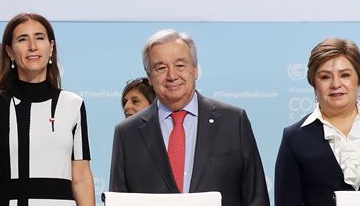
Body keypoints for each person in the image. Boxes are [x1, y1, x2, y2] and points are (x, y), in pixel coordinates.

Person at [109, 29, 269, 206]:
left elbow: (256, 197)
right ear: (150, 78)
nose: (172, 76)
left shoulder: (233, 121)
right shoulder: (127, 133)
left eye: (180, 65)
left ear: (195, 69)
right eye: (161, 68)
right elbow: (119, 199)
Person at [0, 12, 95, 206]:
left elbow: (81, 175)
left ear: (51, 47)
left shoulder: (73, 104)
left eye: (40, 38)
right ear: (10, 52)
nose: (32, 46)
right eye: (22, 39)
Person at [275, 38, 360, 206]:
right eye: (325, 77)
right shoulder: (295, 137)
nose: (336, 84)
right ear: (314, 83)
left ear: (359, 79)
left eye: (345, 75)